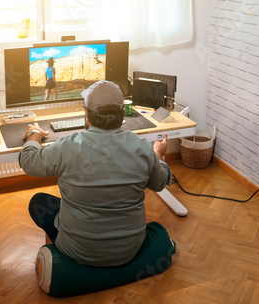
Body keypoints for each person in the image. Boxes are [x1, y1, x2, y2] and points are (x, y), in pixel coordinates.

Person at [19, 80, 171, 267]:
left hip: (76, 249)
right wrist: (159, 154)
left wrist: (34, 133)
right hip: (129, 249)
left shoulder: (68, 146)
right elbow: (159, 183)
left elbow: (28, 162)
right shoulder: (142, 147)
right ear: (122, 114)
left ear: (87, 115)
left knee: (39, 202)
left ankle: (58, 255)